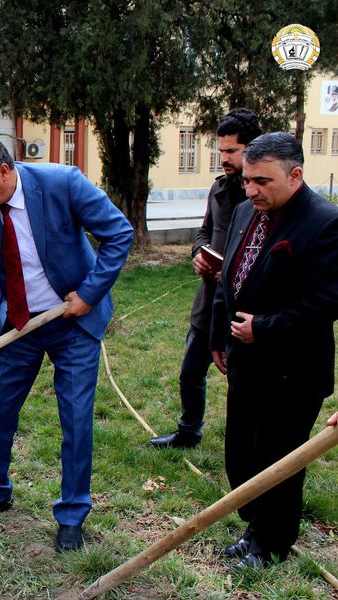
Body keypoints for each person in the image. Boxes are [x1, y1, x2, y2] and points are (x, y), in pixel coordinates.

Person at [0, 134, 133, 550]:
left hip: (72, 321)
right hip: (17, 326)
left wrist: (89, 294)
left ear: (5, 171)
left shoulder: (62, 182)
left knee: (76, 417)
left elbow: (119, 233)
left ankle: (72, 512)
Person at [210, 132, 338, 571]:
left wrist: (263, 328)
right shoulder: (247, 211)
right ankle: (254, 529)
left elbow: (327, 301)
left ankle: (272, 544)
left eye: (261, 181)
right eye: (247, 179)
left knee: (279, 461)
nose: (249, 190)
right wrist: (218, 336)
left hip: (293, 370)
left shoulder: (325, 222)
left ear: (295, 174)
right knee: (242, 452)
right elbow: (229, 280)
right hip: (245, 362)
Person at [150, 109, 262, 449]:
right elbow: (204, 233)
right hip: (208, 301)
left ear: (251, 148)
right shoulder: (218, 188)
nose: (223, 158)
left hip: (246, 308)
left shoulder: (262, 195)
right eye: (221, 151)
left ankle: (246, 443)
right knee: (190, 372)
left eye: (231, 151)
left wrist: (230, 266)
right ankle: (188, 432)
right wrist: (200, 254)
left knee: (244, 383)